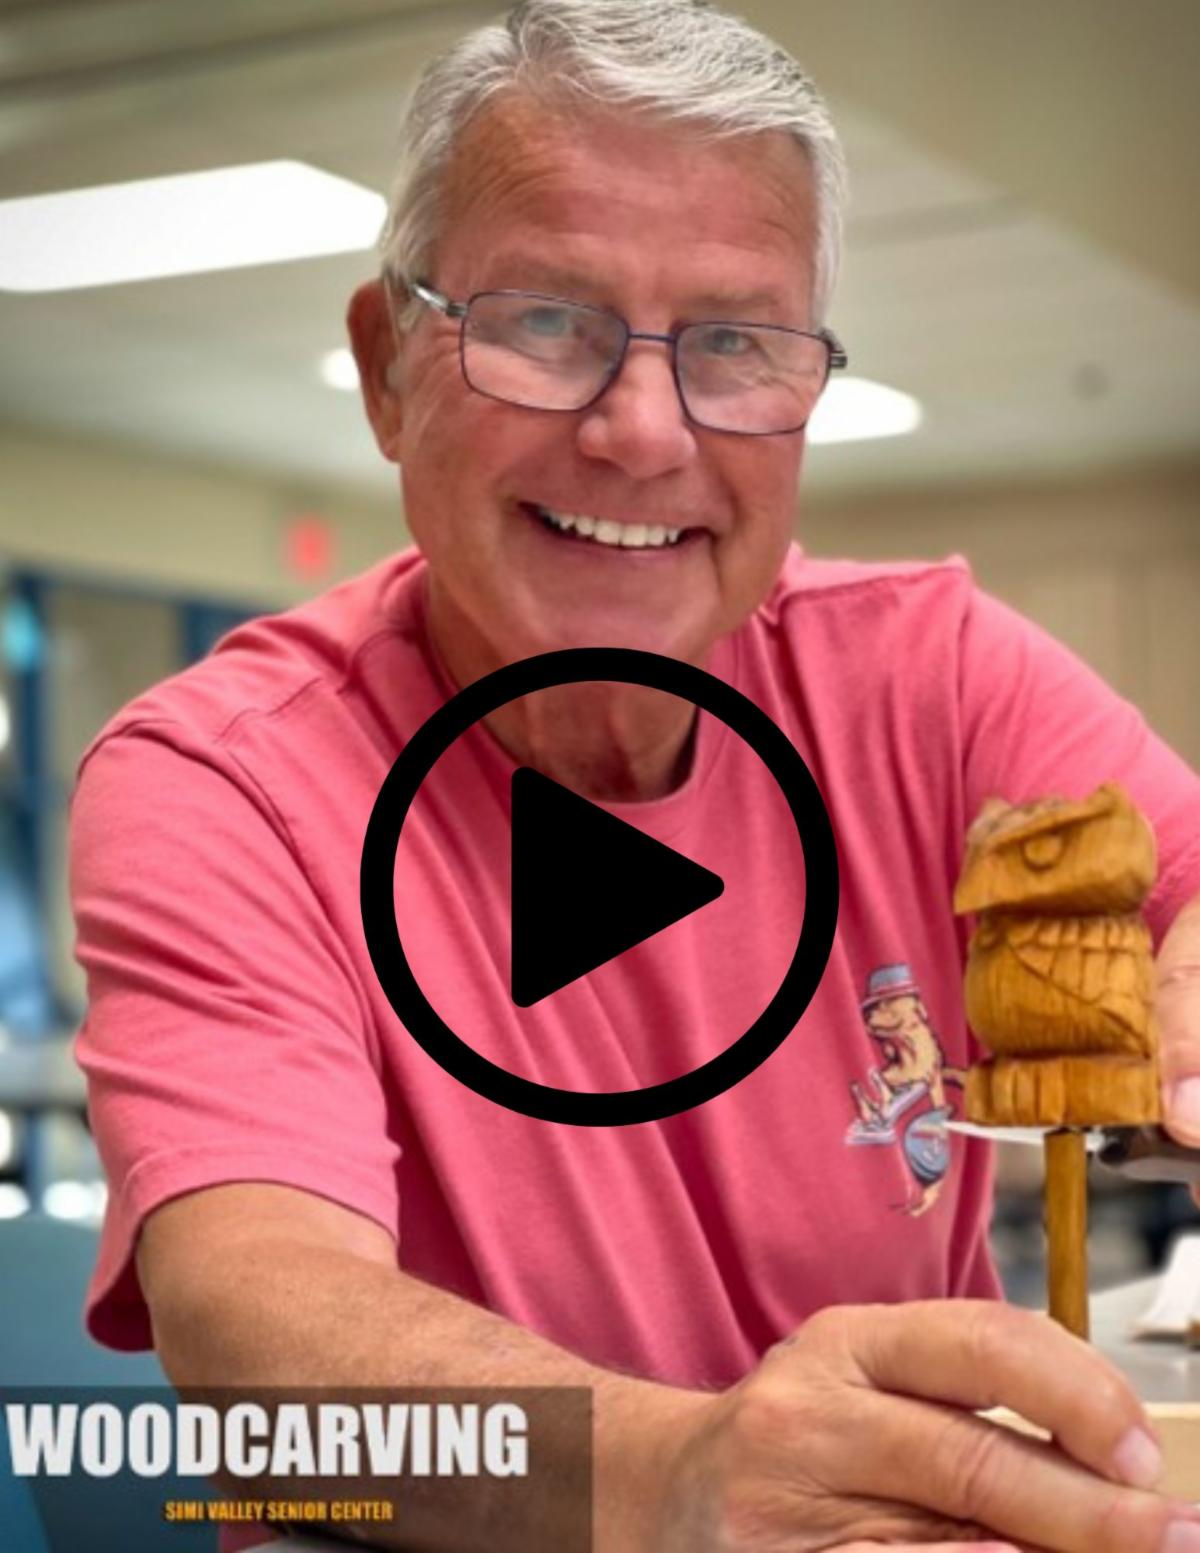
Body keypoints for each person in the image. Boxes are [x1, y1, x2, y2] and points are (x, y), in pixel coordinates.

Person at [69, 2, 1200, 1550]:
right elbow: (264, 1336)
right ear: (390, 367)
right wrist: (684, 1473)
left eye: (734, 342)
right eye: (546, 321)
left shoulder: (928, 669)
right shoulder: (225, 781)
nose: (642, 429)